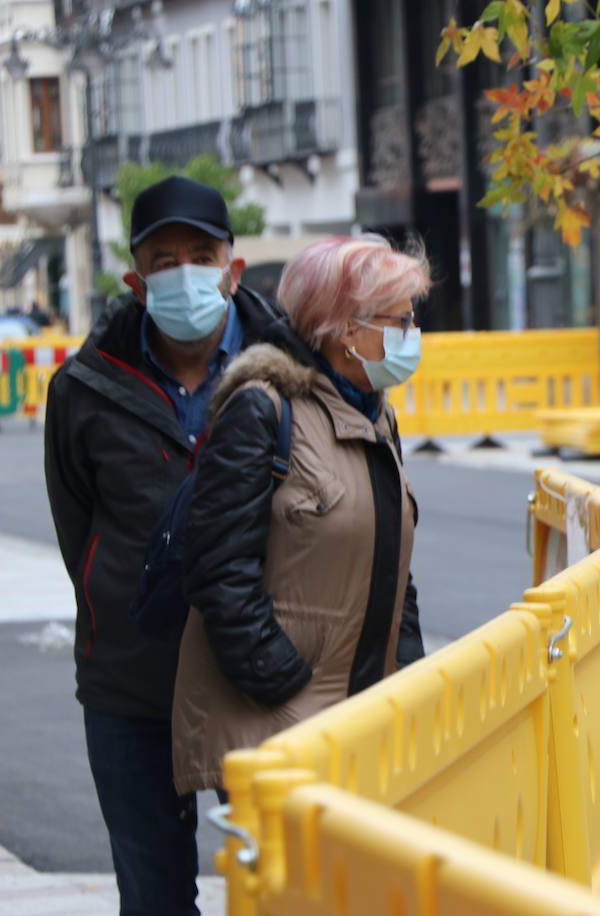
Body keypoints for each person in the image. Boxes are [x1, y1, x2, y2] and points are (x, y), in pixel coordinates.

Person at [44, 176, 286, 916]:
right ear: (137, 281)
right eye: (164, 258)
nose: (185, 270)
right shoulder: (84, 388)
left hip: (261, 688)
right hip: (131, 691)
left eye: (201, 253)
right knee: (152, 899)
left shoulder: (291, 375)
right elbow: (76, 528)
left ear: (233, 269)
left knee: (283, 890)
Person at [171, 235, 426, 796]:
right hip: (281, 727)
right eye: (400, 321)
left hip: (358, 718)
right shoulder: (261, 409)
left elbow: (390, 563)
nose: (412, 335)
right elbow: (217, 567)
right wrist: (282, 681)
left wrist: (407, 663)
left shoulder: (376, 416)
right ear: (346, 329)